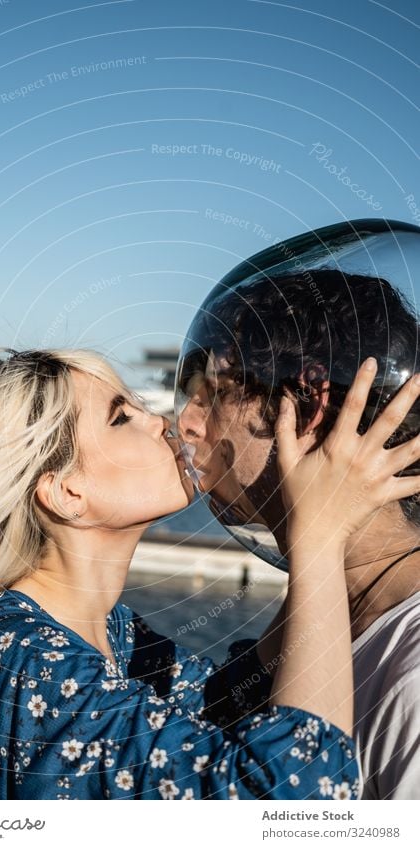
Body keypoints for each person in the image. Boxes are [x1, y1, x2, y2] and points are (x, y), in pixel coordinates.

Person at [0, 347, 419, 800]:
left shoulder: (113, 634)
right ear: (66, 492)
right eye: (122, 419)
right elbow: (297, 796)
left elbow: (229, 702)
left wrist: (304, 508)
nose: (165, 423)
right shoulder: (17, 658)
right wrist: (319, 539)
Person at [177, 269, 420, 799]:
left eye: (213, 392)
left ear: (306, 403)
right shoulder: (331, 604)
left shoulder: (413, 681)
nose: (188, 423)